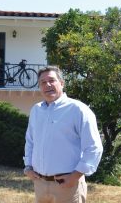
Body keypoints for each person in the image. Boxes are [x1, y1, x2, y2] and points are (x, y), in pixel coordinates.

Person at [23, 66, 103, 203]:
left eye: (52, 80)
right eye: (43, 82)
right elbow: (30, 141)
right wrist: (28, 167)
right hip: (40, 184)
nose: (47, 85)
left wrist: (74, 177)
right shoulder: (36, 111)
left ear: (62, 83)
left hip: (67, 185)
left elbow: (94, 147)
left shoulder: (78, 110)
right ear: (39, 86)